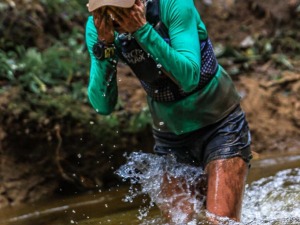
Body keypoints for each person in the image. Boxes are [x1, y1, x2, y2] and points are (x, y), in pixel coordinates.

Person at [85, 0, 252, 223]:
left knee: (219, 222)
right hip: (171, 136)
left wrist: (143, 31)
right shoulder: (98, 27)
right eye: (106, 11)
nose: (115, 17)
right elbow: (102, 105)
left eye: (119, 9)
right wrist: (104, 48)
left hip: (220, 123)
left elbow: (189, 77)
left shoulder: (174, 5)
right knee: (181, 221)